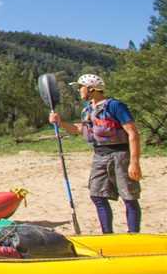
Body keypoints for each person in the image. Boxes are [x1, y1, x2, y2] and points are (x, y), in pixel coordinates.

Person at [49, 74, 143, 233]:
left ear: (91, 89)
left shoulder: (115, 106)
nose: (79, 91)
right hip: (100, 155)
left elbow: (132, 133)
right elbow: (79, 129)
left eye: (81, 87)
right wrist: (60, 122)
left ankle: (133, 234)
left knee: (129, 197)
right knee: (97, 196)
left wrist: (135, 163)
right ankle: (107, 234)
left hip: (120, 155)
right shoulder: (87, 110)